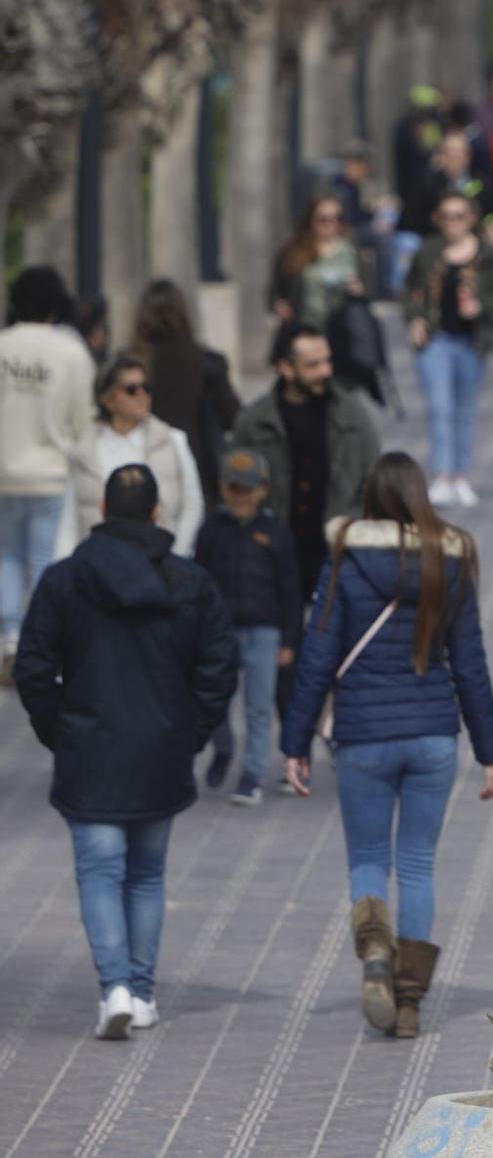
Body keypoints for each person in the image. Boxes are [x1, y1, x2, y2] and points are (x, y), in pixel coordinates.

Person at [281, 453, 493, 1038]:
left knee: (368, 861)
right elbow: (472, 664)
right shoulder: (449, 560)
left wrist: (294, 741)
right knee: (419, 864)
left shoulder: (346, 559)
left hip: (363, 736)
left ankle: (375, 954)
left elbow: (317, 656)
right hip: (433, 734)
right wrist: (492, 753)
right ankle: (409, 1000)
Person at [15, 464, 237, 1039]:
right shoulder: (191, 583)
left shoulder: (64, 580)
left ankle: (112, 986)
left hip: (89, 746)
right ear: (158, 513)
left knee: (99, 869)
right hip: (162, 749)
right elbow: (219, 666)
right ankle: (141, 990)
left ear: (102, 512)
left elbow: (34, 668)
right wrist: (191, 730)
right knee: (146, 874)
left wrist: (57, 730)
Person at [232, 323, 382, 593]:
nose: (326, 371)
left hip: (336, 555)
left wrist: (352, 527)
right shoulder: (254, 422)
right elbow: (234, 486)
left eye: (327, 361)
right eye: (313, 365)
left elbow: (375, 480)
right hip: (274, 561)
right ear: (286, 368)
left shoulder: (352, 415)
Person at [0, 267, 97, 683]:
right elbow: (83, 419)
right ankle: (39, 641)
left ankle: (9, 638)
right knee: (42, 557)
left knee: (7, 555)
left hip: (4, 468)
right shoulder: (71, 352)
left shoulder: (2, 346)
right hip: (50, 470)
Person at [194, 449, 302, 805]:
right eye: (233, 488)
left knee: (258, 706)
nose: (240, 496)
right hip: (220, 632)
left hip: (264, 630)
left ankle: (251, 775)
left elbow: (290, 590)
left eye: (248, 489)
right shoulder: (211, 530)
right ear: (223, 489)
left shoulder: (275, 533)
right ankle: (223, 747)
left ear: (264, 490)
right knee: (214, 701)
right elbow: (200, 584)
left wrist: (289, 640)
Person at [405, 192, 493, 508]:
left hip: (471, 342)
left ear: (471, 218)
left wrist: (480, 306)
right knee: (440, 408)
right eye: (447, 216)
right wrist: (416, 319)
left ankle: (460, 475)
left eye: (460, 215)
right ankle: (442, 475)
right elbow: (410, 289)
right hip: (436, 341)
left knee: (464, 410)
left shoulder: (485, 253)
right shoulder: (428, 251)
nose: (453, 222)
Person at [68, 354, 204, 555]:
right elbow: (70, 515)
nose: (142, 395)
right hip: (98, 565)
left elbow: (192, 504)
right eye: (131, 390)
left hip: (158, 564)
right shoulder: (83, 449)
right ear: (108, 399)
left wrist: (176, 553)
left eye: (146, 388)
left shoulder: (173, 441)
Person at [130, 279, 240, 509]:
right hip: (197, 467)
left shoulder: (132, 365)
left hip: (141, 466)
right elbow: (231, 415)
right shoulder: (207, 362)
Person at [271, 195, 366, 330]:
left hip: (342, 327)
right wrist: (279, 304)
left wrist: (359, 290)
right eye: (323, 219)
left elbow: (368, 293)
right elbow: (276, 289)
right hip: (304, 325)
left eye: (336, 219)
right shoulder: (295, 250)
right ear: (311, 220)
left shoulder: (351, 251)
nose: (330, 224)